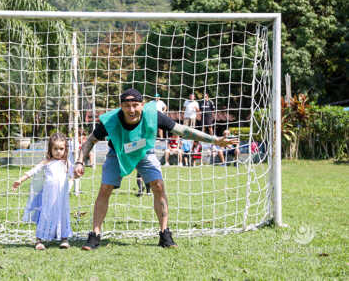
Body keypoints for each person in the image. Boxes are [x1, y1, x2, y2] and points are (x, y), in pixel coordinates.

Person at [74, 88, 238, 250]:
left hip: (144, 152)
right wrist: (80, 162)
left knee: (158, 185)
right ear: (121, 106)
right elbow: (90, 141)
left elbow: (184, 130)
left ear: (142, 105)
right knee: (105, 188)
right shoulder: (110, 120)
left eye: (135, 105)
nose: (131, 110)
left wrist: (215, 140)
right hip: (118, 153)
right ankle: (94, 235)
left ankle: (164, 233)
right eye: (126, 106)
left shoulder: (153, 115)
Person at [12, 133, 73, 250]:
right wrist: (20, 180)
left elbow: (73, 173)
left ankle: (64, 238)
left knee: (62, 215)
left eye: (61, 149)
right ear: (50, 148)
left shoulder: (66, 163)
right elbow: (33, 171)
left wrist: (78, 171)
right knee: (45, 215)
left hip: (61, 198)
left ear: (65, 149)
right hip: (48, 196)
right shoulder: (46, 162)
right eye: (55, 148)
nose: (58, 151)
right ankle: (39, 239)